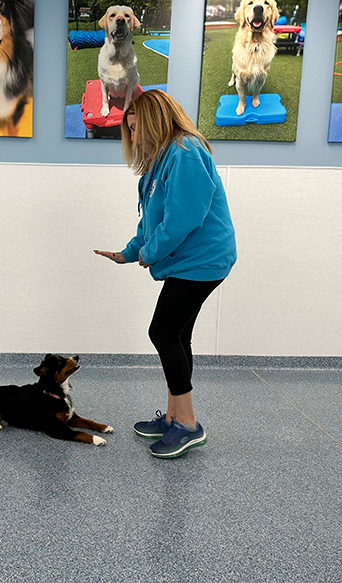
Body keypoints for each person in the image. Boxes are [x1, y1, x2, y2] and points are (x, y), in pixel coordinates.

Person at [94, 90, 237, 459]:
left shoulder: (186, 152)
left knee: (162, 331)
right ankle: (175, 416)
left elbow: (184, 219)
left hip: (203, 262)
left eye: (138, 126)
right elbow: (151, 219)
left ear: (157, 119)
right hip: (187, 262)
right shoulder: (161, 160)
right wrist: (128, 252)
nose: (134, 135)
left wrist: (150, 252)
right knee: (177, 334)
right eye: (130, 128)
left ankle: (187, 425)